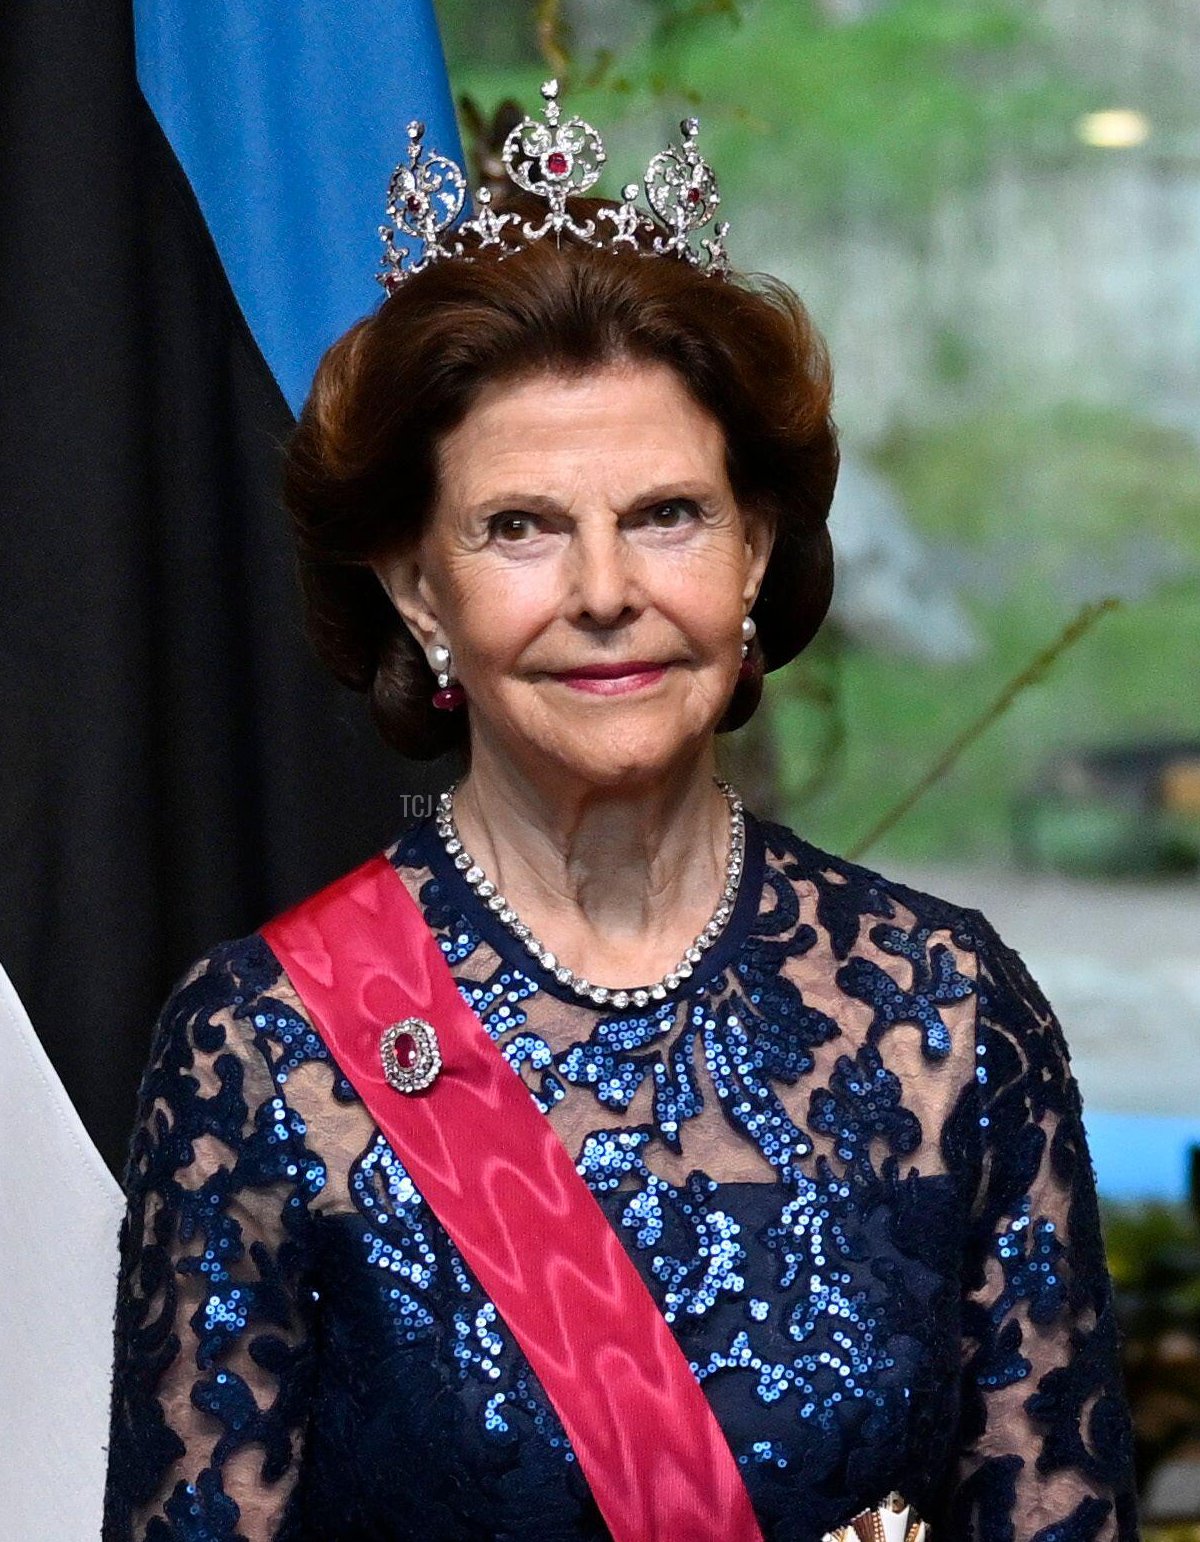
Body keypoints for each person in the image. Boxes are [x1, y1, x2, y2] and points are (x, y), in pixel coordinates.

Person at [102, 84, 1140, 1542]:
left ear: (756, 552)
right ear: (419, 588)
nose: (606, 592)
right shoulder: (264, 1050)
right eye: (520, 526)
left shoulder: (945, 1014)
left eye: (667, 513)